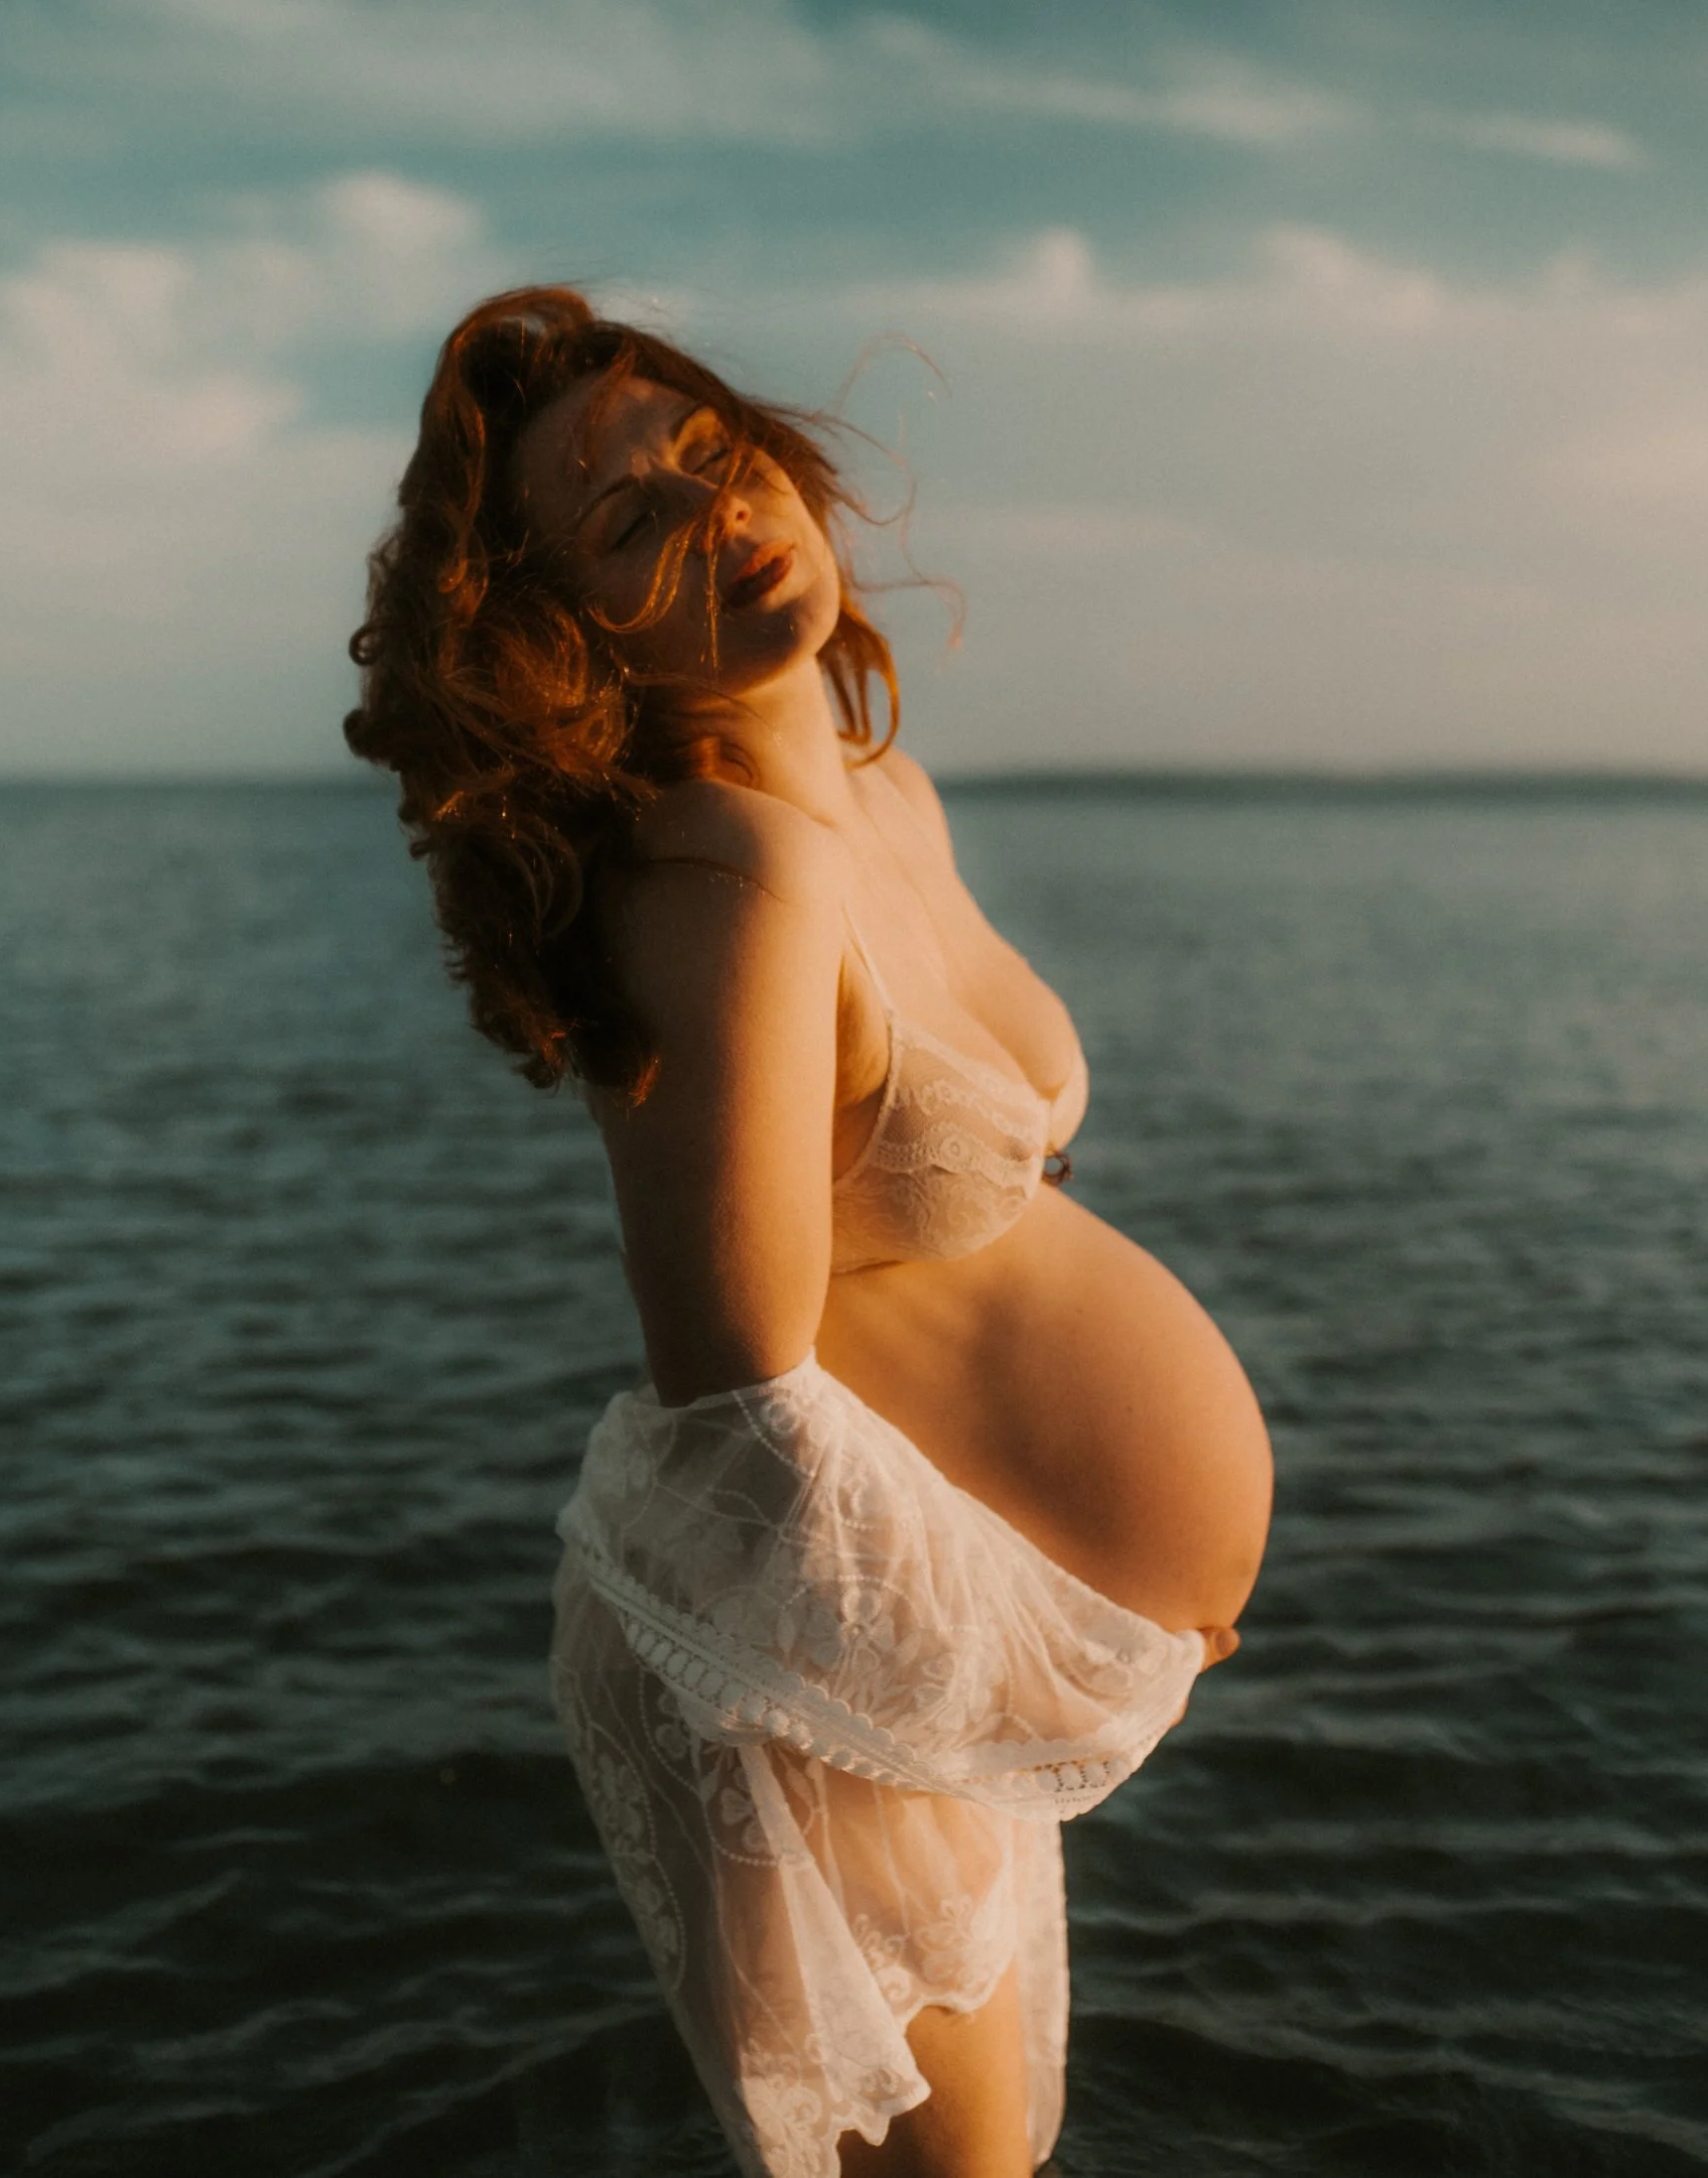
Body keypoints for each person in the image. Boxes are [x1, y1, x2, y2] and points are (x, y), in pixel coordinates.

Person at [344, 286, 1273, 2178]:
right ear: (560, 637)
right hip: (808, 1661)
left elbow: (932, 1228)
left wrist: (1121, 1589)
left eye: (704, 450)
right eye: (625, 521)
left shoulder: (875, 795)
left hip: (890, 1645)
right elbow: (734, 1405)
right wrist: (1056, 1647)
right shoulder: (725, 872)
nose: (710, 506)